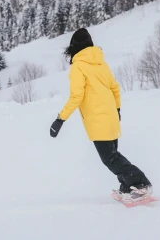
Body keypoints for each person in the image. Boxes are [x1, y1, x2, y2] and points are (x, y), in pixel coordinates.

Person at [50, 27, 152, 201]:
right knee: (114, 155)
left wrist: (60, 119)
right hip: (111, 117)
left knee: (110, 159)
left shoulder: (78, 67)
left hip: (98, 120)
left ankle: (141, 183)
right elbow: (115, 88)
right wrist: (117, 109)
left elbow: (76, 96)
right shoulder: (101, 64)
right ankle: (127, 187)